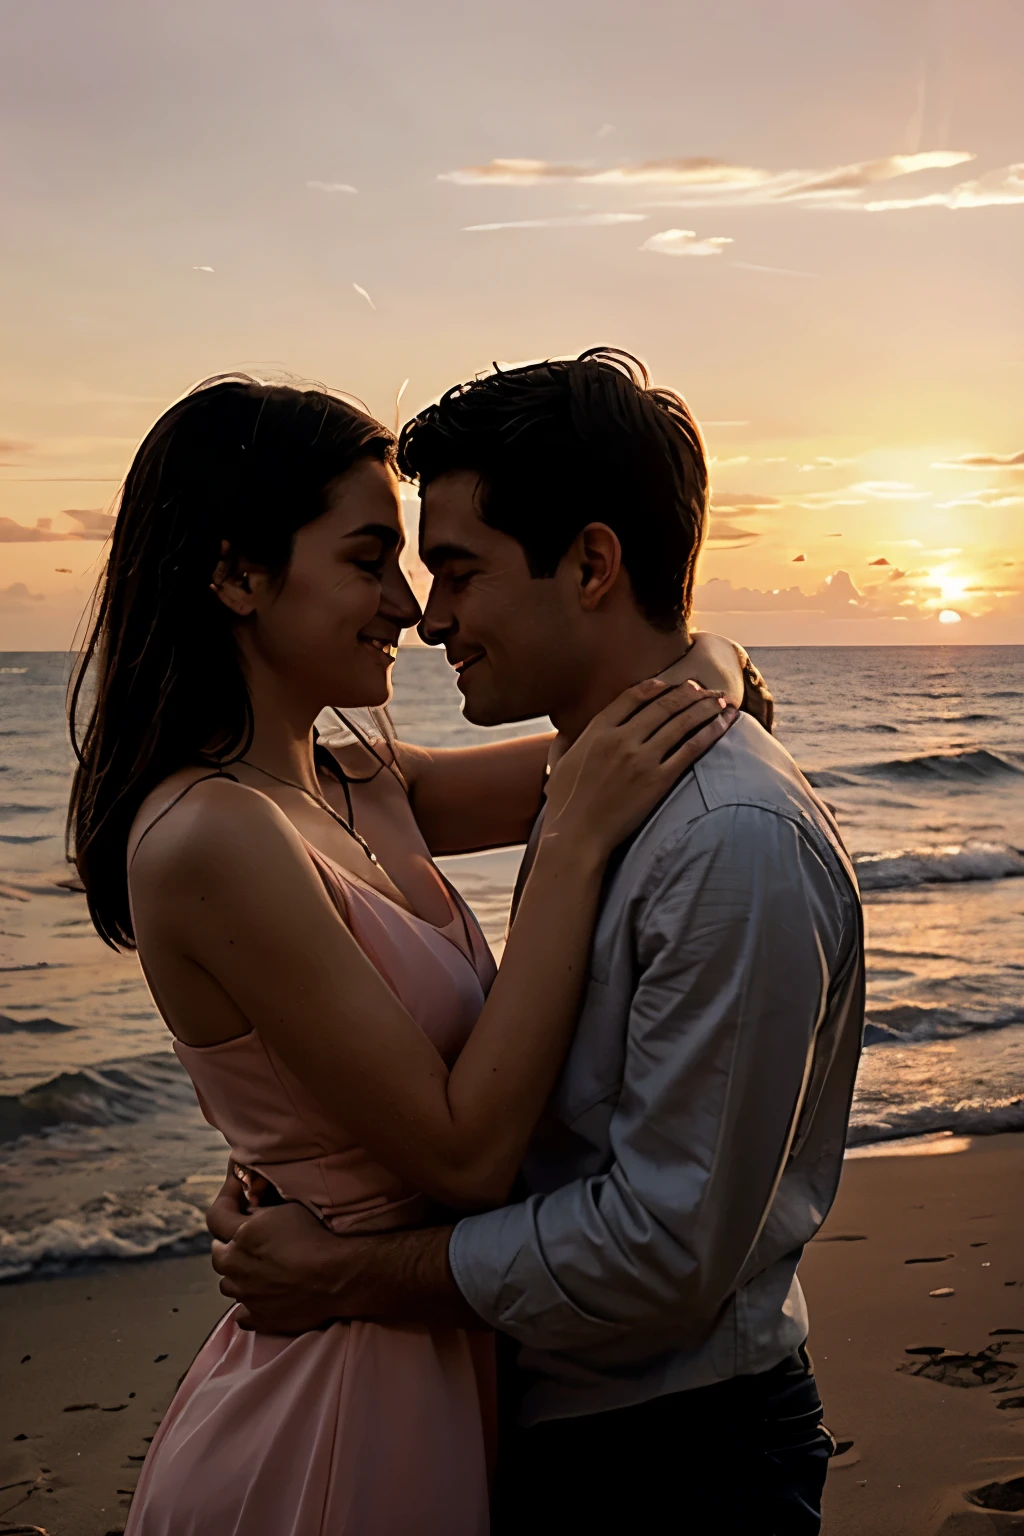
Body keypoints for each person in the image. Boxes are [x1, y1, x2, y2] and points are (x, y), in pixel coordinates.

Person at [67, 371, 743, 1536]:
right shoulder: (208, 838)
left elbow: (654, 706)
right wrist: (572, 849)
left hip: (444, 1355)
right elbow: (466, 1155)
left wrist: (721, 660)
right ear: (236, 575)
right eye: (370, 558)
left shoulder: (362, 781)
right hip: (334, 1403)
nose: (412, 605)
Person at [208, 349, 865, 1536]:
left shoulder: (727, 844)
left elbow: (660, 1253)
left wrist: (345, 1271)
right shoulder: (601, 778)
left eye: (453, 569)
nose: (427, 614)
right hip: (550, 1426)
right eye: (392, 566)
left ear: (594, 562)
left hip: (672, 1464)